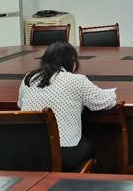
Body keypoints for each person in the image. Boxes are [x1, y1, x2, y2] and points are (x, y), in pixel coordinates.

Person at [18, 41, 117, 172]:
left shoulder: (28, 79)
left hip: (29, 153)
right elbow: (106, 102)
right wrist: (112, 93)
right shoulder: (76, 80)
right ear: (71, 61)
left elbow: (20, 105)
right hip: (64, 154)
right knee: (94, 145)